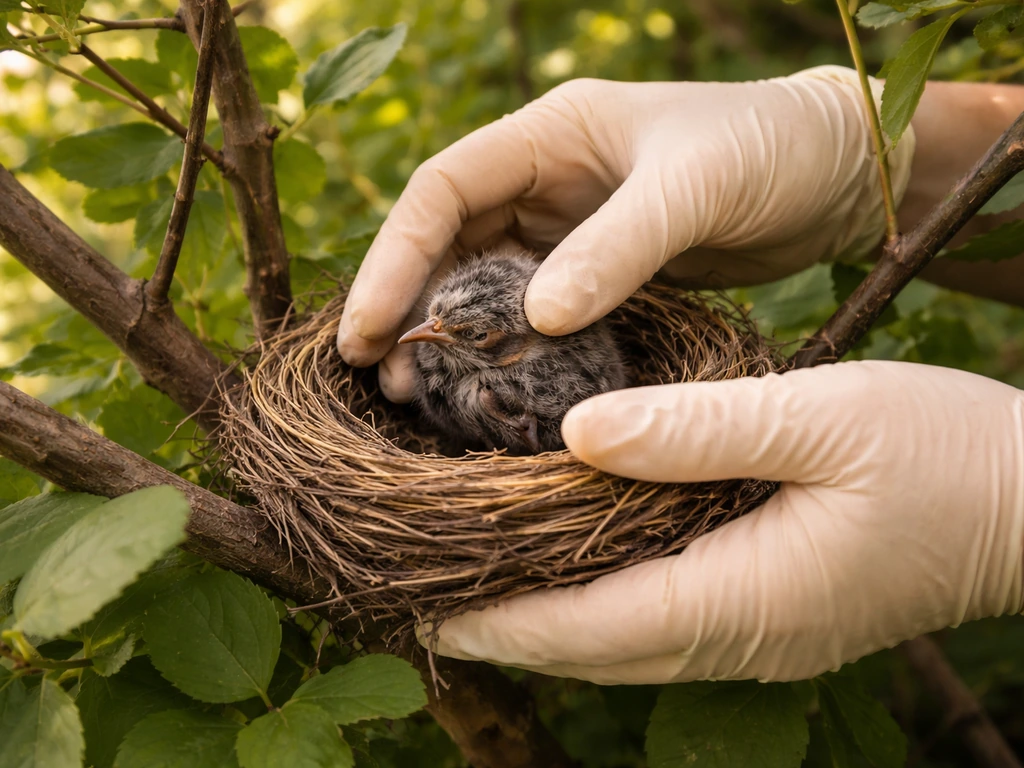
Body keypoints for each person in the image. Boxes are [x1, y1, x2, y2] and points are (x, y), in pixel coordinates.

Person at [336, 66, 1024, 684]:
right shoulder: (467, 364)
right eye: (438, 321)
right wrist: (889, 161)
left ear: (510, 347)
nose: (425, 333)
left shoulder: (502, 386)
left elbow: (541, 410)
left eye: (468, 333)